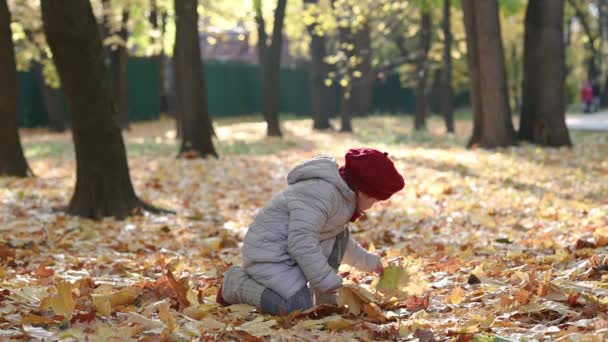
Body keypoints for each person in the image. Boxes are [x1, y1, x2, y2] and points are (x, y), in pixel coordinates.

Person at [216, 148, 405, 315]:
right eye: (375, 200)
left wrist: (370, 262)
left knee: (340, 235)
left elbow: (339, 241)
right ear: (364, 192)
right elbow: (301, 242)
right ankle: (235, 284)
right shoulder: (319, 194)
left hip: (290, 256)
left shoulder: (343, 198)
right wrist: (328, 281)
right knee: (295, 307)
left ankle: (324, 298)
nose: (372, 206)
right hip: (269, 256)